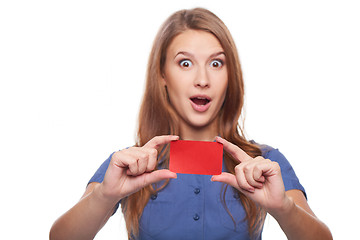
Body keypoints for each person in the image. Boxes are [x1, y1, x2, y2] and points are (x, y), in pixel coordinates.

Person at [49, 8, 332, 240]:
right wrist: (104, 196)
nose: (202, 79)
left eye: (216, 63)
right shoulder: (128, 164)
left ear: (230, 75)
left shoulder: (265, 163)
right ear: (162, 75)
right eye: (185, 63)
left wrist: (283, 208)